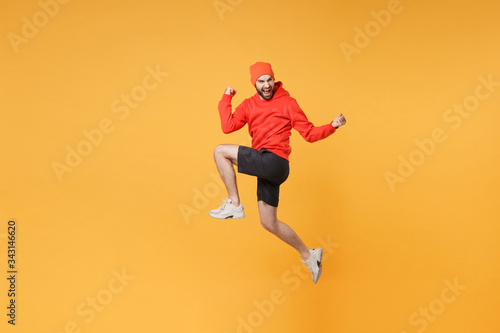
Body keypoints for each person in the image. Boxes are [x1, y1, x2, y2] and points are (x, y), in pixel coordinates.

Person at [209, 62, 346, 284]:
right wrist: (226, 98)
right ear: (254, 83)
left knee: (220, 152)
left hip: (275, 161)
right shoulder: (248, 105)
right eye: (261, 81)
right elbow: (228, 125)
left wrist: (332, 125)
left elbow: (309, 133)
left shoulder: (288, 103)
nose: (266, 85)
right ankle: (310, 256)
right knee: (268, 223)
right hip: (268, 167)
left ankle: (234, 203)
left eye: (269, 80)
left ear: (274, 80)